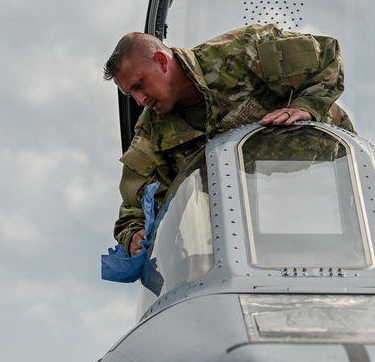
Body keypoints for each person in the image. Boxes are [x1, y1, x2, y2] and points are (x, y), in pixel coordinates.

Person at [103, 23, 354, 256]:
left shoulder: (241, 52)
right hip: (252, 244)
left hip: (338, 189)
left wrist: (307, 105)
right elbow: (135, 206)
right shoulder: (152, 134)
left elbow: (326, 55)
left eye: (139, 85)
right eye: (130, 94)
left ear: (161, 61)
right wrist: (134, 235)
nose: (139, 100)